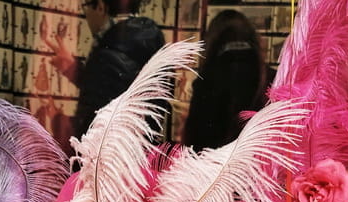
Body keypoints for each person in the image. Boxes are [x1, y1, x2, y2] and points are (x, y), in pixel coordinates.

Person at [52, 0, 165, 136]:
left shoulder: (109, 50)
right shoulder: (144, 41)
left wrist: (59, 121)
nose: (85, 14)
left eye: (86, 6)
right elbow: (117, 90)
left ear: (100, 6)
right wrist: (75, 71)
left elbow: (97, 125)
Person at [181, 10, 269, 151]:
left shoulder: (208, 79)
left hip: (214, 166)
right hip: (262, 165)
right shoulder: (268, 75)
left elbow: (195, 140)